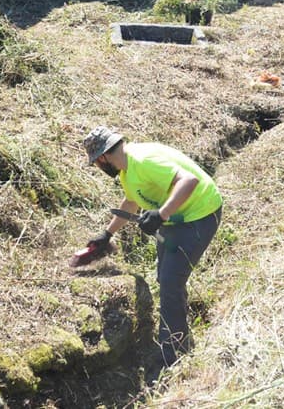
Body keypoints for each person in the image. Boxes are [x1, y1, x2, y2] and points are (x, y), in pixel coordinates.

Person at [82, 125, 223, 369]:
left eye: (95, 163)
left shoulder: (143, 160)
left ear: (102, 158)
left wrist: (161, 214)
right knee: (166, 277)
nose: (98, 168)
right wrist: (107, 235)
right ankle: (176, 329)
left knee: (170, 280)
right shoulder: (127, 169)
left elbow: (189, 180)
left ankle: (175, 352)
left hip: (200, 214)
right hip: (177, 217)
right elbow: (130, 203)